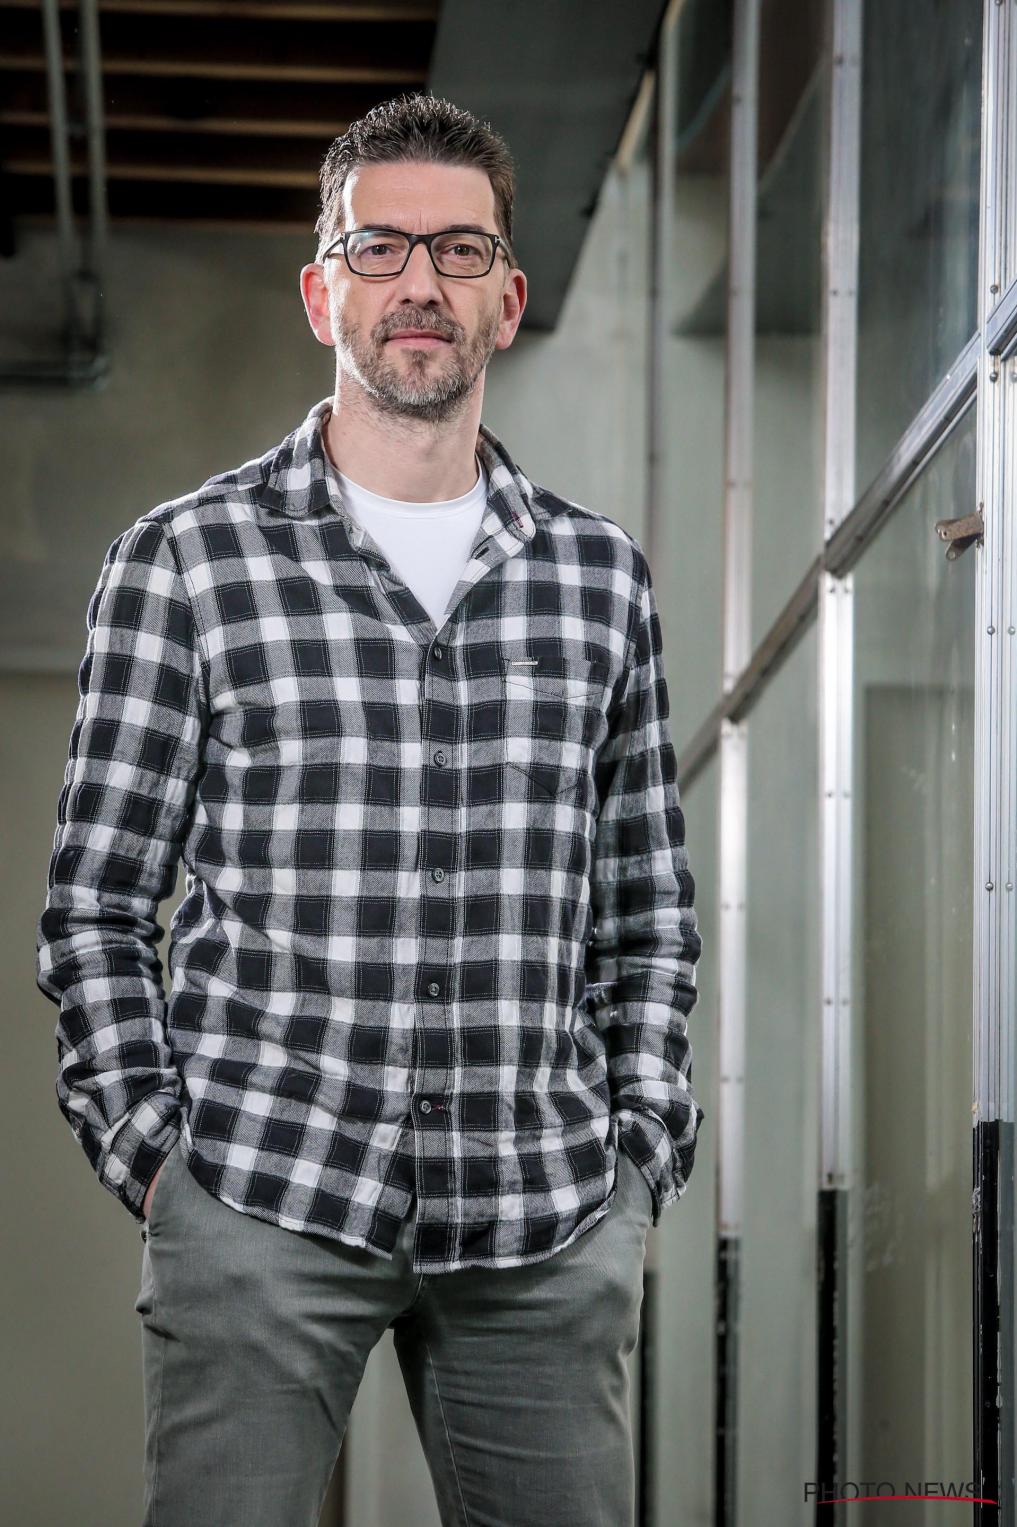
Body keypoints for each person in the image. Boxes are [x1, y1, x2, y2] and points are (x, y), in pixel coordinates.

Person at [35, 91, 704, 1527]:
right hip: (259, 1198)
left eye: (459, 251)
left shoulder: (600, 581)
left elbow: (646, 908)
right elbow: (95, 902)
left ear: (506, 298)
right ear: (320, 290)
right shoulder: (185, 563)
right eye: (378, 247)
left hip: (542, 1216)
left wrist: (638, 1154)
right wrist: (156, 1160)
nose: (418, 283)